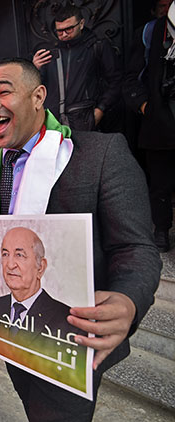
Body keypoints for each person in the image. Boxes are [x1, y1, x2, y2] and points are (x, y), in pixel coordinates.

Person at [0, 58, 161, 422]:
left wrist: (129, 300)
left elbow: (136, 248)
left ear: (38, 97)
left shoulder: (101, 155)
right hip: (12, 333)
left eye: (4, 91)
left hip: (73, 338)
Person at [124, 1, 175, 252]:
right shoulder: (149, 33)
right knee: (160, 182)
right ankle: (162, 229)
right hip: (160, 121)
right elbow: (131, 78)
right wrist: (146, 107)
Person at [0, 227, 83, 344]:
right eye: (5, 254)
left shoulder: (67, 320)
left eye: (19, 255)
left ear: (40, 267)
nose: (10, 265)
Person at [32, 4, 122, 131]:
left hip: (85, 119)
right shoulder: (50, 51)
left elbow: (116, 80)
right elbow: (37, 87)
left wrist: (100, 109)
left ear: (81, 24)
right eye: (59, 30)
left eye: (69, 29)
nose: (64, 34)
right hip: (53, 123)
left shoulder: (97, 46)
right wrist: (34, 68)